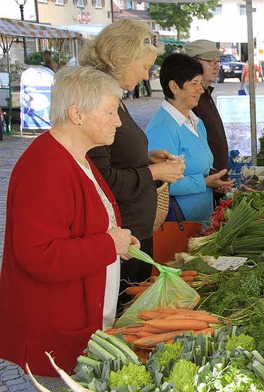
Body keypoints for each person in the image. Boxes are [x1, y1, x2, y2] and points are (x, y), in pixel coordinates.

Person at [0, 66, 141, 376]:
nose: (117, 121)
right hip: (56, 335)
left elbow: (89, 225)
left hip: (83, 325)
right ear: (77, 114)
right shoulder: (45, 167)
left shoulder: (78, 155)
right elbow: (38, 255)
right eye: (109, 112)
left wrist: (117, 243)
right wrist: (107, 244)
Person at [79, 19, 186, 307]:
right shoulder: (98, 101)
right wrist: (153, 171)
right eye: (144, 66)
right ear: (122, 58)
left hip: (135, 231)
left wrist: (147, 158)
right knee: (120, 308)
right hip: (120, 238)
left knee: (132, 306)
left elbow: (117, 155)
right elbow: (101, 178)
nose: (147, 74)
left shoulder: (117, 98)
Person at [146, 53, 233, 227]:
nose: (201, 90)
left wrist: (214, 181)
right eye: (194, 84)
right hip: (177, 221)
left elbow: (201, 167)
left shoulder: (195, 121)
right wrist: (204, 182)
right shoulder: (162, 128)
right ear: (174, 86)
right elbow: (162, 183)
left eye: (200, 84)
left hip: (200, 218)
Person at [185, 40, 231, 179]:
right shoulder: (190, 100)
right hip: (205, 184)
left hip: (214, 183)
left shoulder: (206, 95)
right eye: (210, 61)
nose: (216, 67)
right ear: (193, 62)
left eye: (218, 62)